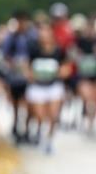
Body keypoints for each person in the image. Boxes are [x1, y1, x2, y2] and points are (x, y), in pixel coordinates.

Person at [25, 23, 69, 155]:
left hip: (54, 85)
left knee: (54, 115)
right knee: (40, 116)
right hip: (38, 86)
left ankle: (49, 140)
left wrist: (62, 72)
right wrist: (29, 74)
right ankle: (41, 133)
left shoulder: (59, 50)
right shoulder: (33, 49)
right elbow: (27, 66)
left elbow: (66, 66)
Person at [0, 10, 36, 143]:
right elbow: (6, 55)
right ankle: (16, 126)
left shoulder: (31, 37)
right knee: (15, 104)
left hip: (27, 75)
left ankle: (26, 129)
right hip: (15, 76)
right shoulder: (11, 37)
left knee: (28, 103)